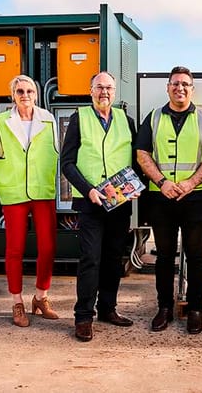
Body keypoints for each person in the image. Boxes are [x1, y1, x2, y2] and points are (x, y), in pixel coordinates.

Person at [136, 66, 202, 334]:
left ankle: (195, 309)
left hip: (196, 197)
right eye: (175, 83)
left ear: (192, 89)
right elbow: (142, 153)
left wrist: (190, 183)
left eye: (185, 84)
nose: (180, 88)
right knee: (164, 255)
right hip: (161, 196)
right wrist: (162, 182)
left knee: (195, 254)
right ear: (168, 88)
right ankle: (164, 308)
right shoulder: (153, 118)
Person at [61, 71, 137, 342]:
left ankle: (108, 309)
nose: (104, 92)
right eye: (99, 87)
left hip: (120, 202)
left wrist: (134, 186)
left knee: (114, 258)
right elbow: (67, 163)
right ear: (90, 90)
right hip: (90, 201)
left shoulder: (126, 120)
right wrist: (88, 190)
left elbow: (136, 158)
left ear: (115, 92)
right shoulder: (79, 118)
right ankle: (83, 316)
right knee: (90, 258)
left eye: (109, 88)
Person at [0, 75, 60, 327]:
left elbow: (55, 151)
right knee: (14, 249)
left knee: (48, 247)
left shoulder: (48, 119)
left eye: (29, 91)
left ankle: (41, 297)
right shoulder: (1, 121)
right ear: (13, 95)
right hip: (14, 192)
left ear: (36, 94)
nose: (25, 95)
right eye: (20, 91)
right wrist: (11, 179)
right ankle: (17, 302)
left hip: (42, 190)